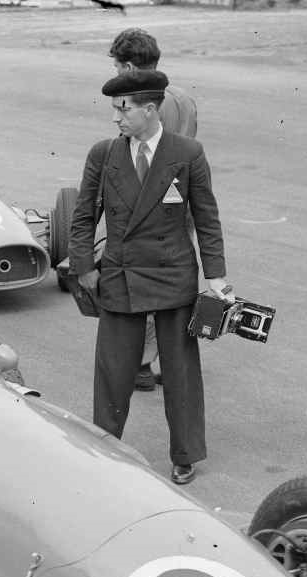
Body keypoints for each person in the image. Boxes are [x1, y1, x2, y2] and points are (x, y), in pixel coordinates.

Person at [69, 70, 229, 486]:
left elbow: (208, 220)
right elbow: (84, 214)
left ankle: (185, 455)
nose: (116, 119)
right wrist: (83, 265)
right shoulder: (103, 154)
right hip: (119, 276)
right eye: (114, 110)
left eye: (123, 110)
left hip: (173, 274)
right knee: (113, 372)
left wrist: (217, 278)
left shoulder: (188, 153)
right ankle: (105, 449)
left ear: (150, 109)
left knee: (180, 372)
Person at [108, 28, 198, 393]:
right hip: (183, 203)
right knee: (171, 288)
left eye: (117, 68)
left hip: (152, 209)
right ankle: (165, 361)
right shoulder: (183, 98)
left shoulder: (140, 107)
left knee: (139, 286)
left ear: (129, 66)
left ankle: (140, 364)